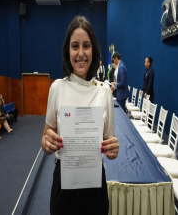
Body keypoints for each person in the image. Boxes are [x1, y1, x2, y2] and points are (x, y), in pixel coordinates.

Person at [41, 16, 119, 215]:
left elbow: (109, 142)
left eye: (86, 46)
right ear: (68, 50)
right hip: (64, 183)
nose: (81, 53)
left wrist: (113, 149)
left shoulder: (104, 92)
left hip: (94, 183)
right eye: (75, 46)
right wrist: (46, 143)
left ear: (94, 50)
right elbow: (46, 139)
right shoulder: (57, 88)